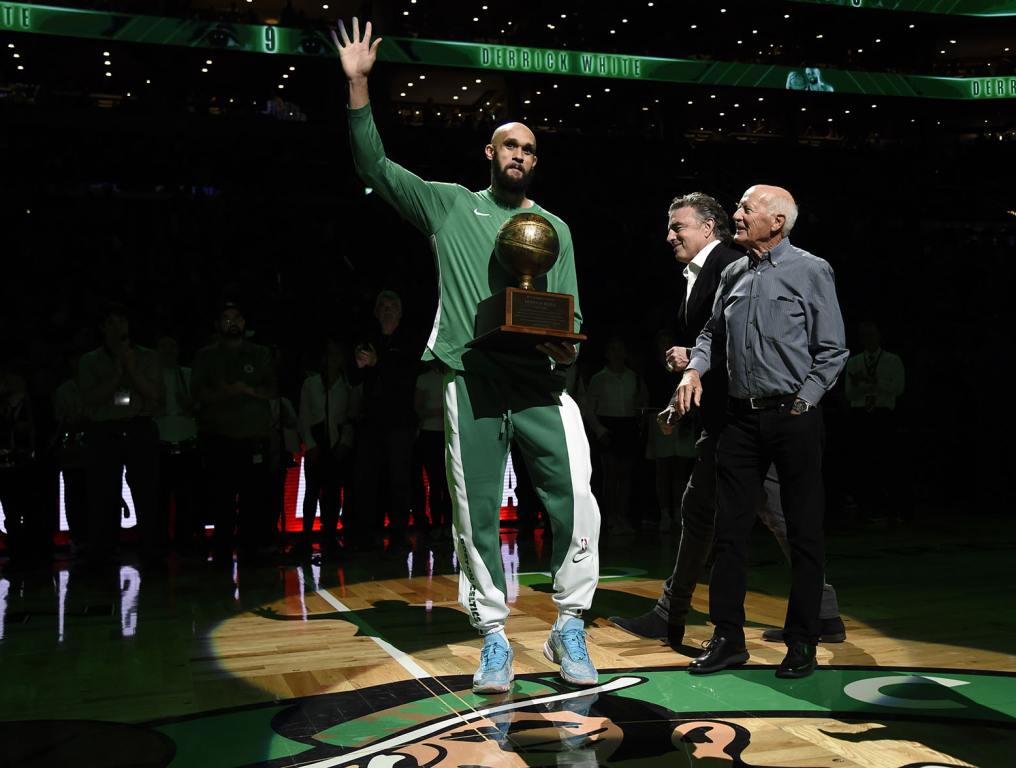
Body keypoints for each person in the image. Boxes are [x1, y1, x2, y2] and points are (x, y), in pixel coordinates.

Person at [336, 17, 600, 693]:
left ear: (536, 163)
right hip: (471, 379)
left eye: (530, 150)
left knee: (577, 501)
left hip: (540, 384)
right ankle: (492, 638)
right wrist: (360, 85)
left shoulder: (556, 229)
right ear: (488, 151)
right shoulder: (449, 207)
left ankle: (570, 623)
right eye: (509, 145)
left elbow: (570, 313)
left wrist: (560, 346)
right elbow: (375, 168)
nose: (519, 155)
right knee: (477, 510)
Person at [673, 184, 848, 679]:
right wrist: (694, 370)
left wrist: (805, 400)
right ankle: (728, 638)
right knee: (729, 534)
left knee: (804, 530)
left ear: (777, 222)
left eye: (746, 208)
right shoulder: (733, 272)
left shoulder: (811, 270)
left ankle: (802, 640)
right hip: (740, 419)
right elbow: (710, 335)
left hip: (792, 415)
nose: (737, 214)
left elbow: (832, 349)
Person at [609, 193, 741, 645]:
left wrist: (695, 360)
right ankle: (671, 612)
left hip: (736, 421)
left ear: (708, 229)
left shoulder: (728, 263)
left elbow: (738, 339)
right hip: (720, 419)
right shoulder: (702, 271)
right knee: (703, 510)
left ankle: (818, 612)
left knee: (759, 514)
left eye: (677, 226)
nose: (669, 236)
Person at [191, 301, 277, 564]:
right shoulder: (206, 357)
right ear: (218, 324)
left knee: (253, 501)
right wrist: (224, 392)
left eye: (237, 317)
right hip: (218, 440)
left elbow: (272, 389)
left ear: (244, 322)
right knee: (221, 501)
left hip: (253, 441)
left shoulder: (260, 354)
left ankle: (251, 553)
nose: (232, 322)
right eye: (226, 318)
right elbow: (196, 396)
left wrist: (246, 390)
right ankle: (222, 554)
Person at [78, 304, 161, 564]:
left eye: (122, 321)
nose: (118, 328)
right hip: (105, 431)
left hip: (139, 427)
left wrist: (131, 369)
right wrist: (116, 374)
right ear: (103, 328)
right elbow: (90, 398)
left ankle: (153, 550)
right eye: (111, 322)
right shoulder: (90, 361)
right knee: (103, 492)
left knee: (148, 490)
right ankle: (103, 551)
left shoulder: (147, 356)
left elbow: (156, 395)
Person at [348, 291, 419, 550]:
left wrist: (378, 363)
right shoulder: (368, 340)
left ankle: (399, 535)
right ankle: (367, 535)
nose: (388, 310)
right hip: (371, 421)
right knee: (365, 478)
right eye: (383, 306)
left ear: (400, 313)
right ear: (376, 312)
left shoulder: (409, 340)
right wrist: (357, 364)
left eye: (393, 306)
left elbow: (407, 376)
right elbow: (354, 379)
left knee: (399, 480)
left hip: (400, 421)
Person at [298, 338, 360, 558]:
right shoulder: (311, 384)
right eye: (329, 354)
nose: (333, 359)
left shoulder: (348, 386)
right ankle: (305, 538)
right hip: (316, 445)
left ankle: (330, 537)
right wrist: (311, 445)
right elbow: (303, 416)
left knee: (333, 495)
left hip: (337, 447)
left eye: (337, 355)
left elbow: (351, 417)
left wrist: (344, 444)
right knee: (311, 494)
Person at [584, 335, 648, 536]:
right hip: (608, 426)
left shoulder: (634, 377)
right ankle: (611, 518)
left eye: (620, 349)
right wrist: (599, 430)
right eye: (613, 349)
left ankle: (623, 516)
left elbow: (642, 403)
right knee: (610, 475)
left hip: (627, 425)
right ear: (607, 354)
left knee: (626, 475)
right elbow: (589, 409)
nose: (617, 353)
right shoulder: (598, 378)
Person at [844, 320, 905, 523]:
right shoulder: (854, 362)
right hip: (861, 415)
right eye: (864, 335)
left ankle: (889, 508)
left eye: (871, 334)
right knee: (862, 463)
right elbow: (850, 393)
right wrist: (869, 385)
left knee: (886, 462)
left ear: (879, 336)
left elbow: (897, 388)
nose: (868, 339)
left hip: (883, 415)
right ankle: (865, 507)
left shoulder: (892, 360)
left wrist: (871, 381)